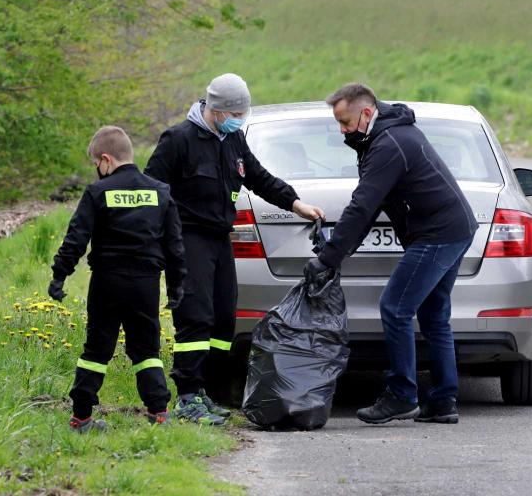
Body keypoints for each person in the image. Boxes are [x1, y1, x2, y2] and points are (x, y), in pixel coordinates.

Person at [145, 73, 324, 425]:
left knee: (223, 318)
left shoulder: (233, 140)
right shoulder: (179, 140)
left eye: (243, 113)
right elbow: (152, 192)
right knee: (195, 316)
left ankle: (208, 391)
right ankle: (187, 396)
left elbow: (259, 178)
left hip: (219, 239)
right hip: (187, 240)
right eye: (235, 114)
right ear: (216, 109)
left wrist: (296, 203)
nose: (239, 119)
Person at [305, 83, 478, 425]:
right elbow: (372, 207)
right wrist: (336, 252)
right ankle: (443, 401)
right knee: (434, 315)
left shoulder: (388, 144)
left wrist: (328, 259)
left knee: (395, 307)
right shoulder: (381, 138)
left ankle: (402, 395)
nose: (342, 130)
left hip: (438, 234)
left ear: (367, 113)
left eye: (345, 122)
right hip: (454, 229)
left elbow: (362, 205)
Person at [50, 126, 187, 433]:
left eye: (96, 164)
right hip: (145, 284)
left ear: (106, 160)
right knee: (147, 350)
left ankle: (81, 418)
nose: (97, 170)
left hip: (107, 282)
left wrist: (59, 275)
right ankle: (159, 412)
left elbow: (76, 238)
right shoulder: (160, 192)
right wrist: (176, 285)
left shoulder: (98, 192)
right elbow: (175, 246)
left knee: (97, 350)